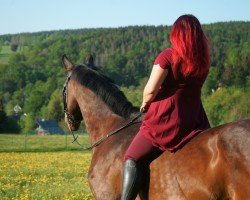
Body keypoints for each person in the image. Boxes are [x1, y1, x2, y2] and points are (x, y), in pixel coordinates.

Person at [120, 14, 211, 200]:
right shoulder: (203, 61)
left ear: (176, 34)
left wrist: (145, 103)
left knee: (132, 158)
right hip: (195, 119)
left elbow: (150, 91)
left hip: (167, 120)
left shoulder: (167, 56)